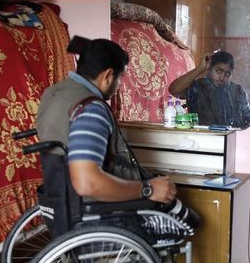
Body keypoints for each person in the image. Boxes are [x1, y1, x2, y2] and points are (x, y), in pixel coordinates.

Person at [36, 36, 197, 239]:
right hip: (97, 210)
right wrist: (147, 190)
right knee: (187, 221)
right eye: (120, 78)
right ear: (108, 76)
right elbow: (87, 182)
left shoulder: (54, 94)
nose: (119, 85)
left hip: (61, 199)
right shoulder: (90, 109)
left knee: (159, 183)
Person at [168, 50, 250, 128]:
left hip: (231, 138)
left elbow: (248, 120)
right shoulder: (198, 86)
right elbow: (174, 90)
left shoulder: (238, 91)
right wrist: (200, 68)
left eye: (227, 74)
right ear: (210, 69)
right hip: (204, 138)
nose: (222, 78)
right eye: (218, 71)